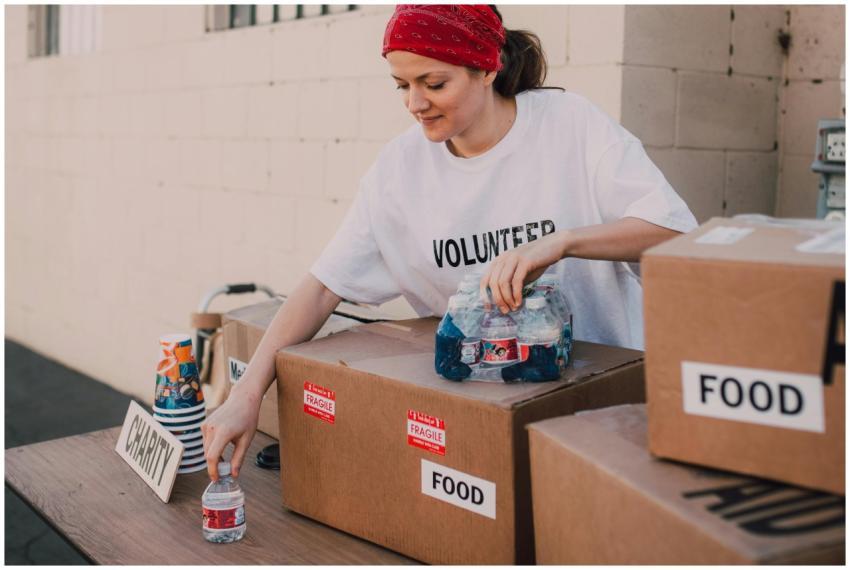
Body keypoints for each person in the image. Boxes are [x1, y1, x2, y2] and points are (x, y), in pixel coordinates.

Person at [202, 4, 697, 480]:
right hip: (489, 420)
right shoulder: (399, 172)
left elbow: (673, 231)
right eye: (402, 85)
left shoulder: (569, 125)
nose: (415, 103)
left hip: (607, 409)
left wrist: (560, 243)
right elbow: (321, 287)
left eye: (434, 83)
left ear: (487, 68)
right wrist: (246, 395)